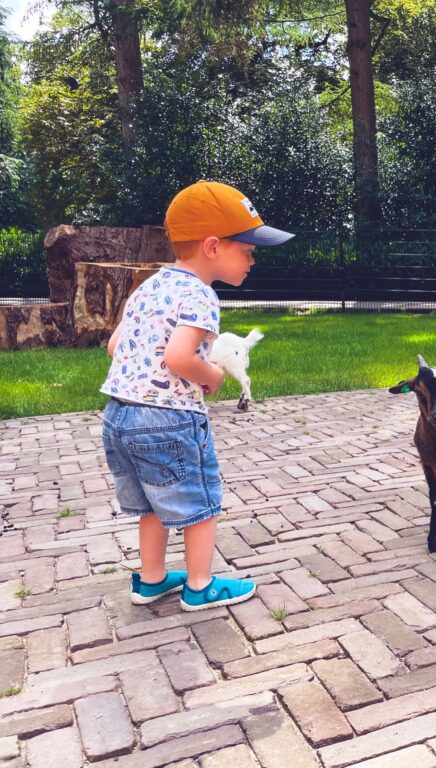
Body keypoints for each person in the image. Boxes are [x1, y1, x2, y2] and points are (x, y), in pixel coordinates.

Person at [100, 180, 293, 611]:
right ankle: (201, 585)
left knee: (152, 500)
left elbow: (116, 347)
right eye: (247, 250)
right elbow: (178, 356)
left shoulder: (150, 287)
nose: (252, 259)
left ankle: (150, 580)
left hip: (118, 416)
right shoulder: (200, 294)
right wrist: (212, 376)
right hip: (167, 418)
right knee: (201, 503)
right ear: (212, 247)